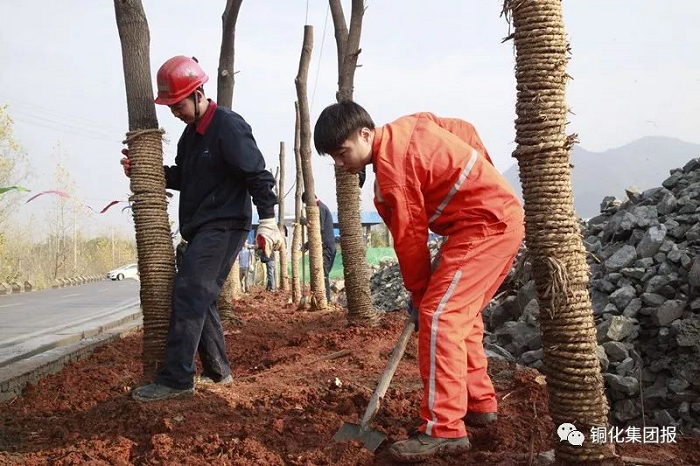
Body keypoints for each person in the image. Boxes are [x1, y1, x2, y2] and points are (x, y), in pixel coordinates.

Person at [313, 101, 524, 462]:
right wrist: (486, 181)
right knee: (460, 315)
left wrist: (419, 293)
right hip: (481, 221)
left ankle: (444, 430)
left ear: (365, 134)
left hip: (486, 226)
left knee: (440, 318)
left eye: (341, 152)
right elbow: (464, 128)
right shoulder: (410, 127)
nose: (339, 163)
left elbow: (410, 238)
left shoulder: (393, 170)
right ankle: (479, 402)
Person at [120, 56, 281, 402]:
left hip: (224, 226)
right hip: (202, 228)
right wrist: (146, 169)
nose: (174, 112)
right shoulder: (189, 138)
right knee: (199, 295)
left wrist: (268, 220)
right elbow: (184, 177)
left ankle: (177, 379)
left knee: (190, 290)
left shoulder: (228, 126)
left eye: (176, 104)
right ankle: (218, 371)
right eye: (170, 106)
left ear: (197, 93)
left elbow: (257, 175)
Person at [301, 192, 336, 302]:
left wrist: (306, 222)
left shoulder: (320, 208)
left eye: (307, 203)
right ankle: (322, 300)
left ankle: (326, 301)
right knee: (322, 275)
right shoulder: (321, 207)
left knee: (323, 275)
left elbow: (318, 229)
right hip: (326, 247)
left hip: (327, 248)